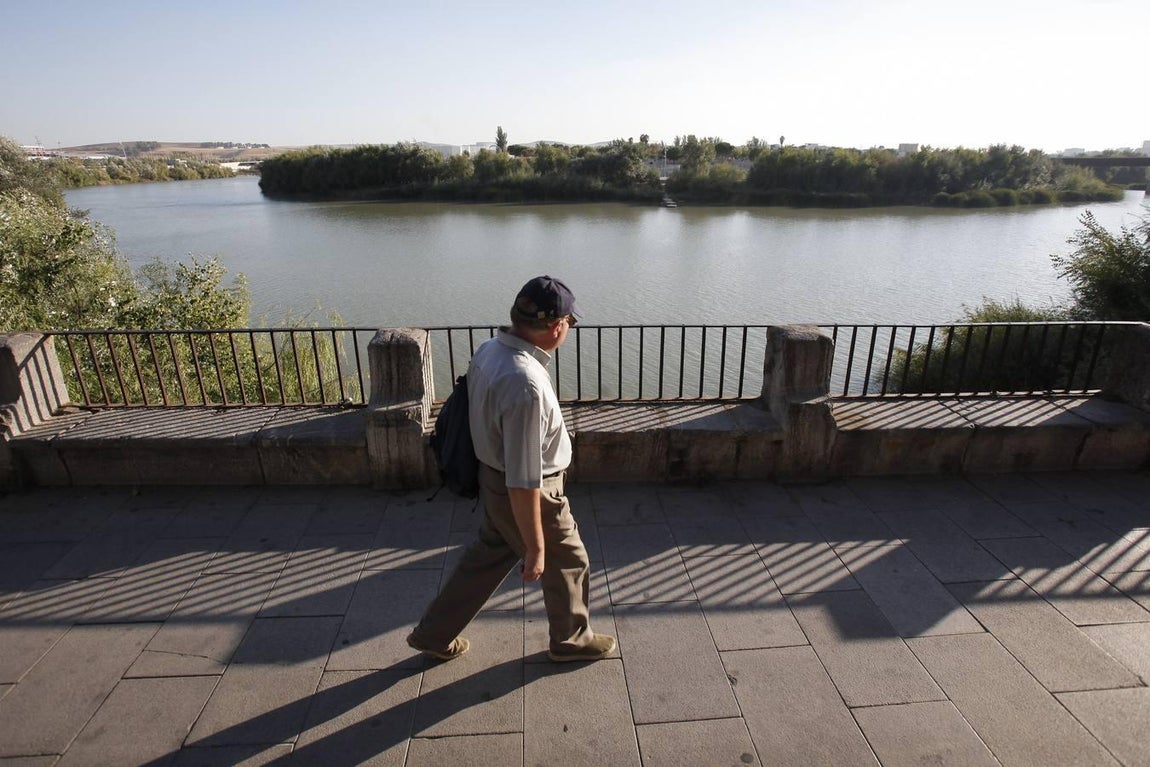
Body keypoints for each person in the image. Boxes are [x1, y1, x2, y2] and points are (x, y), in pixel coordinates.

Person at [407, 276, 616, 663]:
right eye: (570, 323)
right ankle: (571, 641)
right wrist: (537, 548)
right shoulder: (526, 384)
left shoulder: (490, 350)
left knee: (487, 558)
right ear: (557, 327)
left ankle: (434, 633)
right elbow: (524, 477)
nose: (568, 329)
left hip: (492, 479)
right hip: (528, 492)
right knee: (569, 561)